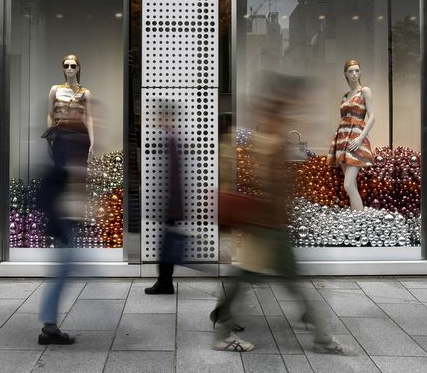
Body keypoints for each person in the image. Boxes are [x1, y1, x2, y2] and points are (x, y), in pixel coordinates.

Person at [212, 72, 356, 355]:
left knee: (245, 278)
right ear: (285, 101)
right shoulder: (273, 132)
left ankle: (224, 325)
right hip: (268, 225)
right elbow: (267, 179)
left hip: (264, 223)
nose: (301, 108)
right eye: (296, 101)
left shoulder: (269, 129)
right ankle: (322, 338)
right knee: (290, 281)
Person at [36, 54, 94, 345]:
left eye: (74, 65)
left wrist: (92, 141)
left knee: (65, 268)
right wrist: (50, 137)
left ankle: (49, 324)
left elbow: (90, 118)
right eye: (66, 64)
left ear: (79, 68)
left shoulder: (84, 95)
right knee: (64, 268)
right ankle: (49, 325)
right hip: (63, 215)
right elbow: (49, 114)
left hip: (66, 213)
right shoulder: (54, 90)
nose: (70, 68)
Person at [145, 101, 184, 295]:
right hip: (171, 203)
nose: (156, 120)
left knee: (167, 245)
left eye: (159, 116)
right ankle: (164, 282)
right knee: (167, 244)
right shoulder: (170, 139)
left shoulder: (170, 140)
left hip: (171, 203)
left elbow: (172, 176)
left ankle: (165, 283)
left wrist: (169, 205)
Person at [327, 60, 375, 211]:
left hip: (356, 138)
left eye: (356, 70)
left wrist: (361, 138)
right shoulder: (345, 95)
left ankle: (359, 219)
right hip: (342, 138)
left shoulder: (365, 91)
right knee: (351, 185)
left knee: (347, 184)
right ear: (345, 74)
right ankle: (355, 221)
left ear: (360, 72)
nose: (354, 74)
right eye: (350, 71)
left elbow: (372, 116)